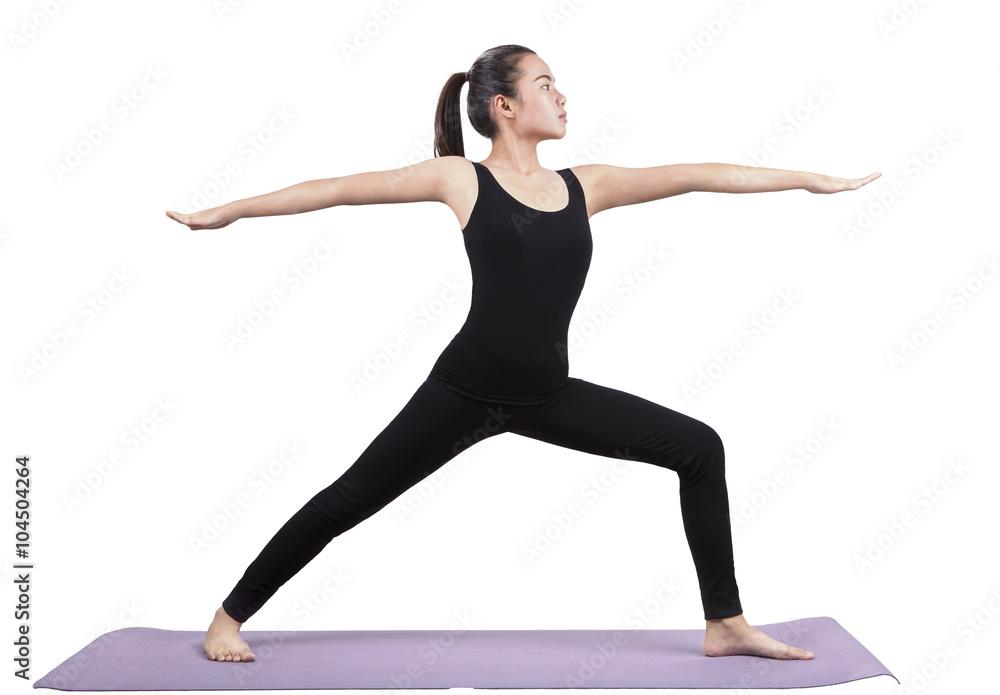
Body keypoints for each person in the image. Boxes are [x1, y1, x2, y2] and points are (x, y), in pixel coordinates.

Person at [166, 44, 879, 664]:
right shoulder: (460, 179)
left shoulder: (585, 186)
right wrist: (226, 211)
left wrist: (809, 179)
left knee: (698, 447)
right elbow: (337, 191)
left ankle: (725, 623)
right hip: (465, 389)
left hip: (546, 392)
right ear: (504, 106)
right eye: (545, 84)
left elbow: (699, 172)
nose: (562, 95)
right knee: (350, 499)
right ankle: (227, 615)